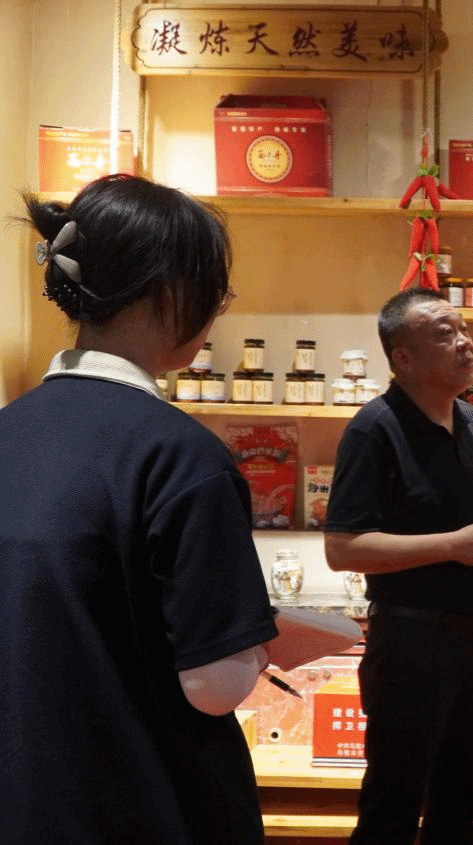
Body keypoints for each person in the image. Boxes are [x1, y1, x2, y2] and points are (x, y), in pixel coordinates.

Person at [0, 174, 304, 843]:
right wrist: (259, 646)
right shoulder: (182, 456)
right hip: (141, 805)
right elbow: (215, 684)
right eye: (215, 296)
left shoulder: (7, 431)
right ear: (173, 292)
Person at [324, 287, 473, 845]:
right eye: (445, 334)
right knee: (391, 815)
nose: (466, 344)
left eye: (465, 329)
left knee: (457, 813)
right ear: (403, 358)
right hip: (412, 649)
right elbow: (343, 548)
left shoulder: (468, 419)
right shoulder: (374, 429)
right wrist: (453, 545)